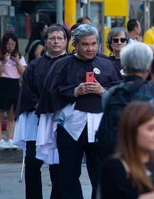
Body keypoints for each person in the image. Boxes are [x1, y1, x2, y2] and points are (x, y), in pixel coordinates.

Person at [38, 24, 122, 199]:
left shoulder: (107, 64)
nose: (90, 48)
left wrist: (103, 91)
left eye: (93, 44)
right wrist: (75, 91)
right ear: (75, 44)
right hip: (70, 126)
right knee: (68, 175)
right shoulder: (62, 65)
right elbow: (51, 93)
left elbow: (119, 92)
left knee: (101, 175)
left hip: (100, 127)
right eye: (85, 44)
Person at [14, 25, 68, 199]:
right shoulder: (34, 65)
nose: (56, 41)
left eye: (60, 38)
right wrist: (41, 105)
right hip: (36, 119)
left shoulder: (72, 63)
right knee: (32, 162)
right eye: (52, 38)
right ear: (45, 42)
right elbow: (26, 91)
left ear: (66, 41)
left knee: (58, 164)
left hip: (61, 120)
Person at [97, 42, 154, 158]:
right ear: (149, 68)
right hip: (145, 153)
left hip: (117, 154)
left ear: (123, 66)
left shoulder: (110, 94)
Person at [0, 32, 27, 149]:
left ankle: (11, 139)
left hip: (14, 85)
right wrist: (4, 62)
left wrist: (17, 62)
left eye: (13, 44)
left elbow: (23, 73)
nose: (10, 47)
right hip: (3, 84)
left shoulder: (20, 57)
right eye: (8, 44)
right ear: (4, 45)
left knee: (12, 115)